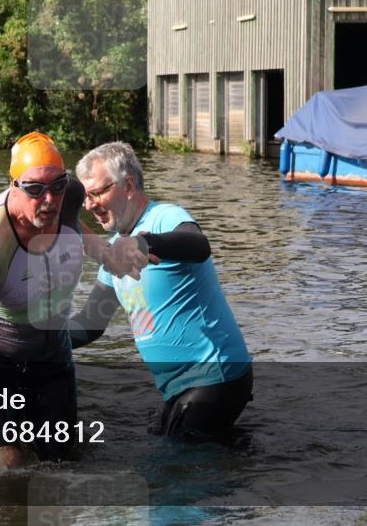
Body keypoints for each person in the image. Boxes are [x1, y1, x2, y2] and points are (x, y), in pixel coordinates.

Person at [0, 132, 145, 473]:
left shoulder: (67, 197)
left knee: (63, 463)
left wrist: (108, 255)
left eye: (58, 185)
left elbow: (74, 224)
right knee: (6, 463)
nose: (49, 199)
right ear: (13, 186)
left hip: (53, 357)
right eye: (35, 189)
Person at [69, 141, 253, 440]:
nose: (89, 205)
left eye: (97, 193)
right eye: (86, 197)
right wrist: (31, 338)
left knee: (174, 467)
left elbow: (198, 246)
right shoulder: (116, 251)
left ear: (128, 185)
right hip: (177, 386)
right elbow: (90, 325)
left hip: (216, 376)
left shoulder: (164, 216)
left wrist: (145, 243)